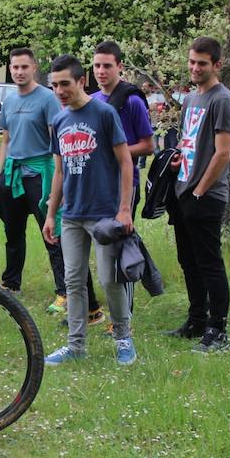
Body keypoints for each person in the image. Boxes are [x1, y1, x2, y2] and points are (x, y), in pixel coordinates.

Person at [0, 48, 102, 326]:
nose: (19, 72)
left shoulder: (47, 98)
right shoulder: (8, 101)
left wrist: (58, 181)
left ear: (34, 68)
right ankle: (11, 283)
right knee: (12, 231)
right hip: (13, 172)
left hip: (40, 173)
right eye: (15, 67)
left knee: (51, 234)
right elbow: (5, 139)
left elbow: (59, 141)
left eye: (24, 67)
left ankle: (63, 291)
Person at [42, 55, 137, 366]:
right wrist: (50, 214)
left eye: (65, 84)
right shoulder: (58, 120)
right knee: (73, 280)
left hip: (104, 214)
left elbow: (125, 161)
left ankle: (124, 338)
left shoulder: (104, 114)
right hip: (71, 215)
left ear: (82, 81)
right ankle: (76, 345)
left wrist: (125, 210)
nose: (59, 91)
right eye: (54, 85)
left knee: (110, 279)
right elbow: (59, 172)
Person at [165, 37, 230, 354]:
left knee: (209, 263)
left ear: (217, 65)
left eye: (202, 63)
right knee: (188, 261)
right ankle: (196, 320)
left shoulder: (222, 100)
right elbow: (188, 140)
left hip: (204, 194)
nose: (195, 68)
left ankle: (217, 330)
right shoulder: (192, 99)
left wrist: (199, 190)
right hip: (184, 189)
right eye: (192, 61)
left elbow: (223, 153)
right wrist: (179, 158)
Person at [91, 41, 155, 334]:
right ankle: (116, 315)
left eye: (107, 65)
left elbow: (148, 144)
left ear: (120, 67)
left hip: (125, 184)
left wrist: (117, 152)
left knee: (123, 250)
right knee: (104, 252)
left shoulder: (131, 100)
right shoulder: (91, 101)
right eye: (97, 66)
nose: (101, 71)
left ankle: (123, 319)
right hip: (98, 187)